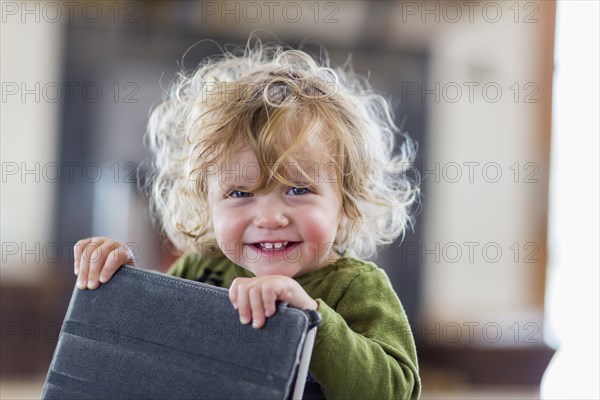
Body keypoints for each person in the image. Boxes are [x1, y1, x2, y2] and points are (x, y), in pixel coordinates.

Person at [73, 39, 421, 399]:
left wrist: (310, 319)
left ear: (346, 201)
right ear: (207, 204)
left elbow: (397, 391)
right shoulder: (199, 271)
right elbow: (146, 359)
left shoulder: (357, 289)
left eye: (298, 190)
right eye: (240, 194)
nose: (270, 217)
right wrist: (122, 287)